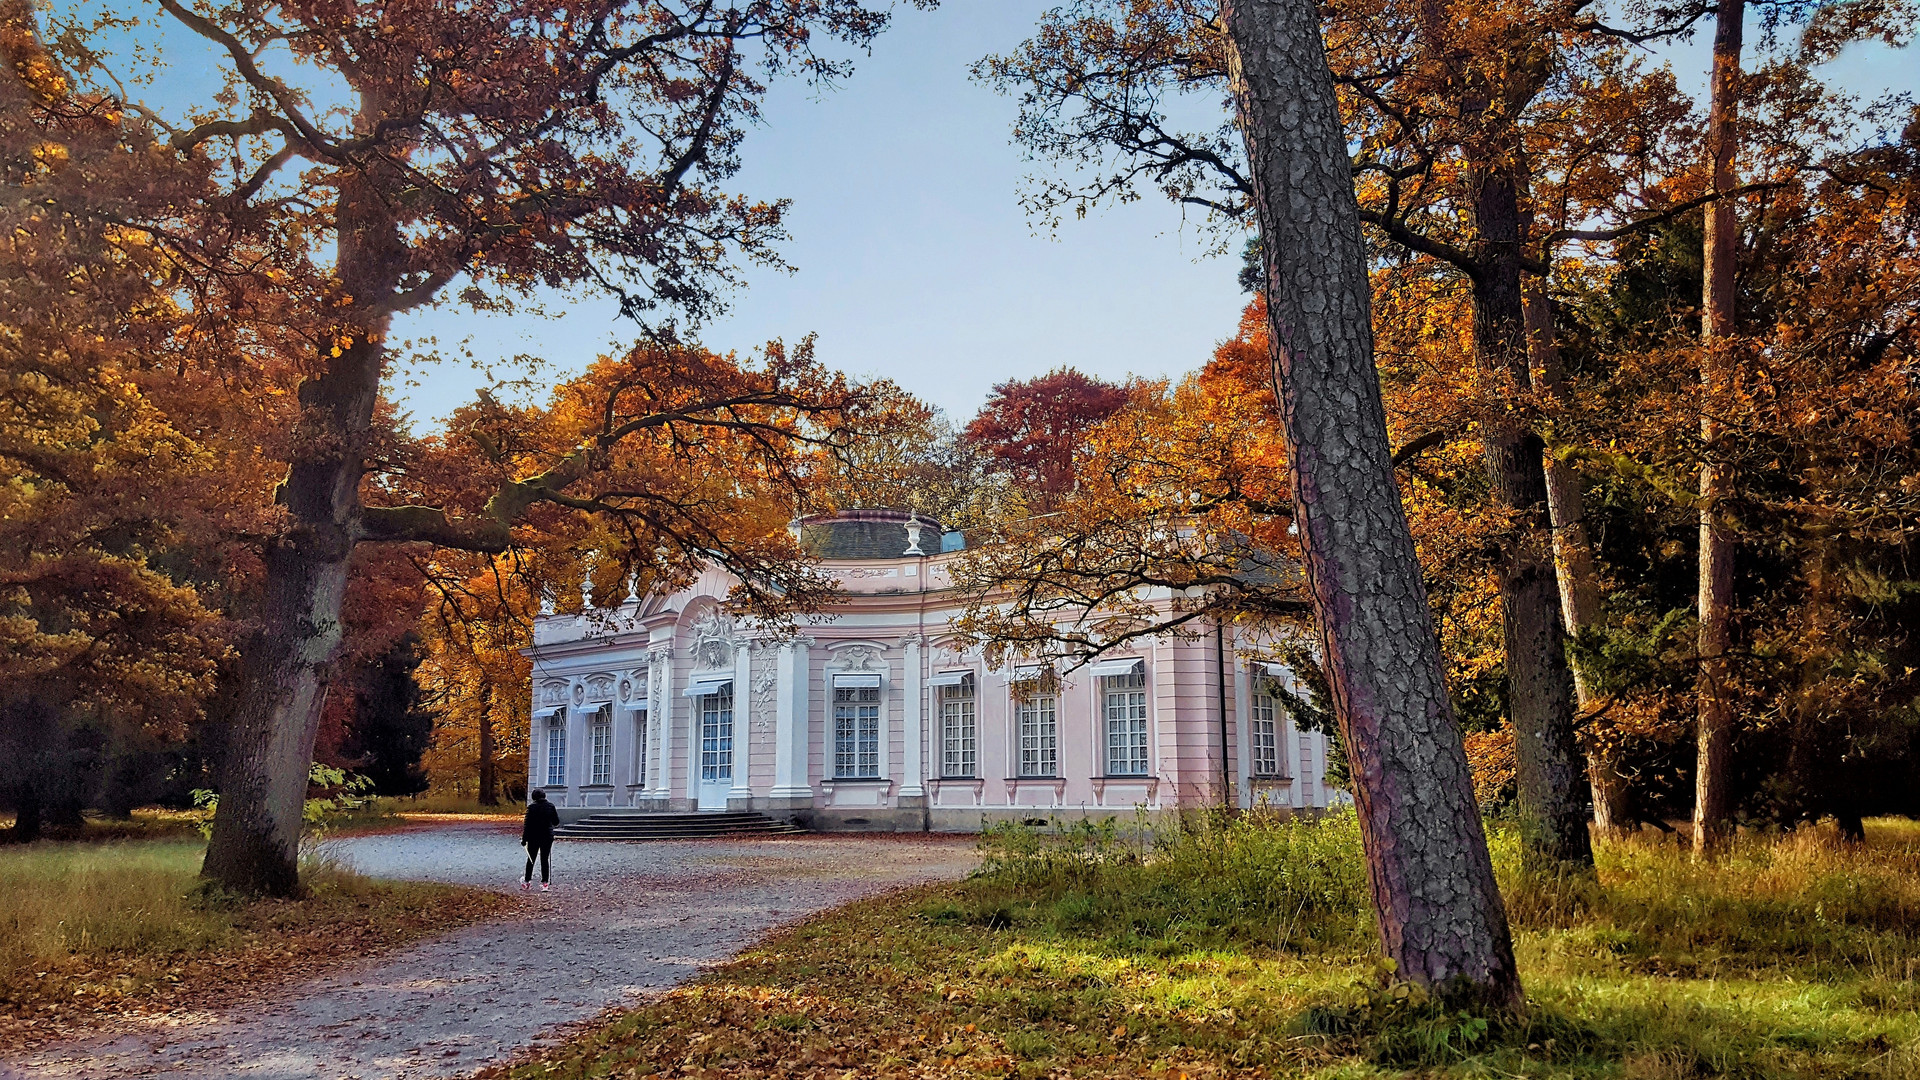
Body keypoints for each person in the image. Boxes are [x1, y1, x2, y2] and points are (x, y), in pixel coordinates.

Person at [521, 789, 560, 891]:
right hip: (547, 836)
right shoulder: (550, 806)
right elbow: (556, 822)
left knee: (531, 859)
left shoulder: (532, 808)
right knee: (544, 859)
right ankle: (545, 883)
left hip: (533, 836)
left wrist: (524, 839)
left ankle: (527, 881)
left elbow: (527, 825)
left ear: (534, 797)